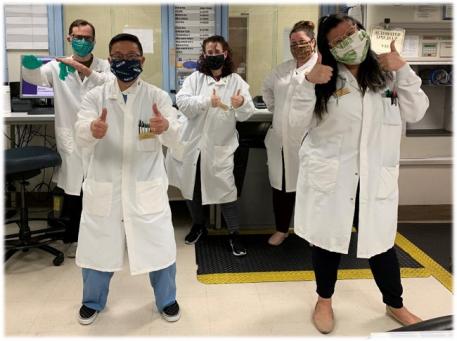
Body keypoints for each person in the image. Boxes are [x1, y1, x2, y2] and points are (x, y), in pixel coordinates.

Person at [291, 14, 429, 334]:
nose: (348, 41)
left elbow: (417, 111)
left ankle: (395, 304)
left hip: (372, 179)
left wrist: (404, 69)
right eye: (338, 40)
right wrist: (308, 83)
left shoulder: (386, 75)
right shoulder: (319, 78)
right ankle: (323, 300)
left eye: (351, 32)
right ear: (327, 48)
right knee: (327, 244)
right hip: (333, 179)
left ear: (363, 32)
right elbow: (293, 124)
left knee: (381, 245)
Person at [74, 33, 181, 325]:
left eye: (132, 57)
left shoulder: (156, 97)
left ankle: (167, 299)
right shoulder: (96, 97)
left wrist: (165, 125)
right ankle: (92, 301)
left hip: (144, 183)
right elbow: (80, 130)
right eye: (118, 57)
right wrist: (91, 131)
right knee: (98, 244)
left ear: (142, 60)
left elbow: (177, 135)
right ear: (109, 61)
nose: (125, 62)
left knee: (158, 243)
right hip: (105, 183)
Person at [21, 19, 111, 258]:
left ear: (94, 40)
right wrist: (28, 64)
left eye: (87, 38)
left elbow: (112, 86)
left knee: (98, 187)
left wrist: (86, 71)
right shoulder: (55, 66)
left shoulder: (104, 66)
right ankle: (73, 236)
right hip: (71, 135)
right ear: (69, 38)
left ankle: (99, 237)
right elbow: (34, 78)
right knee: (75, 189)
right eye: (77, 37)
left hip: (98, 135)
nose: (82, 42)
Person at [165, 35, 255, 256]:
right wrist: (206, 101)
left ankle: (234, 234)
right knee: (191, 188)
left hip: (220, 148)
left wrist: (241, 103)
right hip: (192, 145)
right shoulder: (195, 79)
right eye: (210, 52)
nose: (214, 55)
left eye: (218, 51)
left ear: (226, 54)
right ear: (204, 55)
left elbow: (247, 113)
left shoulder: (236, 81)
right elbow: (183, 104)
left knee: (226, 192)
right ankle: (198, 225)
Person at [262, 20, 318, 246]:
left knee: (311, 189)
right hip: (281, 141)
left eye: (302, 42)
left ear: (313, 42)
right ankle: (282, 229)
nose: (297, 47)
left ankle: (312, 232)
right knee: (282, 188)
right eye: (293, 43)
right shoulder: (282, 69)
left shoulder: (321, 68)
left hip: (309, 140)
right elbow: (266, 88)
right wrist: (278, 111)